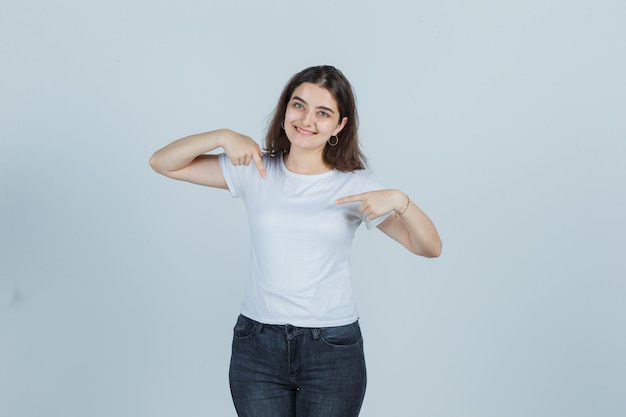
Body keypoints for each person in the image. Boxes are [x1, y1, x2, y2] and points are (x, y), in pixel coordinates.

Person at [149, 65, 442, 417]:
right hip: (257, 344)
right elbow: (163, 163)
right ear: (285, 108)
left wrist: (401, 201)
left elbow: (428, 247)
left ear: (339, 126)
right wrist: (222, 135)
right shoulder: (254, 170)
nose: (306, 120)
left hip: (331, 348)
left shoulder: (356, 185)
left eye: (323, 113)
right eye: (298, 105)